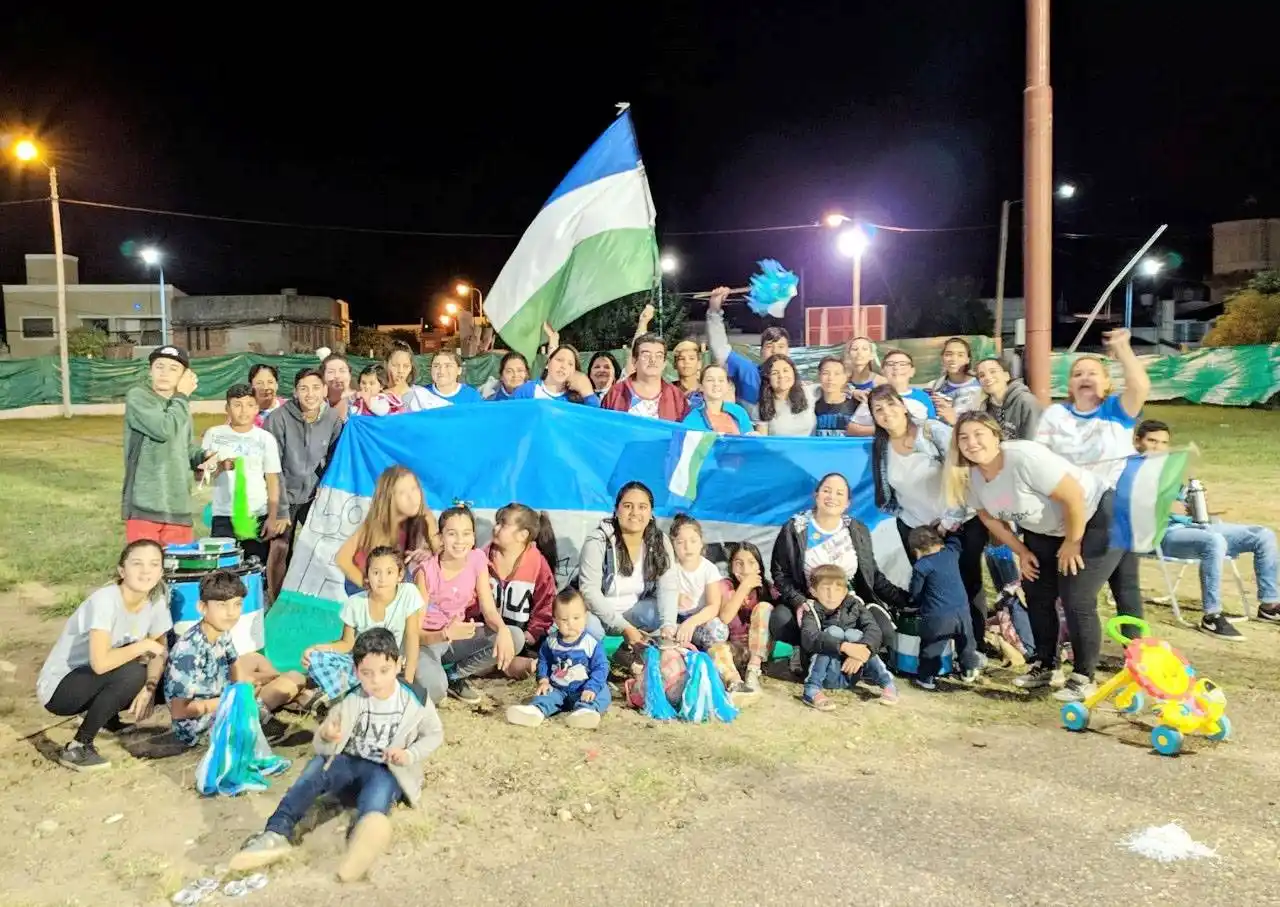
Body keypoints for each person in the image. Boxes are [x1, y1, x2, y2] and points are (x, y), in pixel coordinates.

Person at [228, 628, 444, 882]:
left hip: (387, 769)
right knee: (316, 769)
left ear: (398, 665)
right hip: (350, 762)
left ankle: (360, 849)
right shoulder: (352, 698)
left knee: (377, 799)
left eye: (384, 671)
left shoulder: (416, 699)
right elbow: (324, 742)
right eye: (367, 673)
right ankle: (276, 833)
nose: (376, 680)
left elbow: (434, 734)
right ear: (356, 672)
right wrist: (327, 736)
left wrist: (409, 754)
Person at [946, 412, 1119, 702]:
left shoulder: (1024, 458)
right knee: (1036, 589)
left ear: (996, 436)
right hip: (1044, 529)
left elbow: (1073, 496)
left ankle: (1083, 677)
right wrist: (1022, 552)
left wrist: (1073, 542)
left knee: (1076, 596)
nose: (971, 443)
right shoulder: (973, 476)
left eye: (978, 434)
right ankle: (1047, 665)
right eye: (963, 438)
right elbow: (989, 518)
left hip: (1094, 516)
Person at [867, 385, 988, 645]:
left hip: (960, 524)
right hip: (917, 529)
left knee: (966, 583)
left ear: (903, 405)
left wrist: (948, 521)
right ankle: (941, 646)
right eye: (878, 409)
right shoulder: (881, 446)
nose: (886, 412)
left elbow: (962, 472)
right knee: (932, 587)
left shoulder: (932, 431)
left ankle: (974, 644)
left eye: (891, 404)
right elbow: (886, 492)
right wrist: (907, 521)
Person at [37, 540, 171, 771]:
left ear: (161, 572)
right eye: (137, 563)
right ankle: (78, 746)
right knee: (134, 673)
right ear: (122, 571)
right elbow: (100, 664)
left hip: (98, 678)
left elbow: (160, 652)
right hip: (61, 689)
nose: (146, 571)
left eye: (153, 564)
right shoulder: (105, 601)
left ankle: (108, 717)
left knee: (163, 678)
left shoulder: (156, 599)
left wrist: (149, 689)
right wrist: (143, 645)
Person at [1135, 420, 1279, 634]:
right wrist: (1161, 507)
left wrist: (1201, 506)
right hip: (1161, 535)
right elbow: (1126, 508)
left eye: (1164, 443)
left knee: (1263, 535)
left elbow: (1184, 503)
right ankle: (1212, 616)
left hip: (1195, 528)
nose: (1158, 447)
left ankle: (1270, 605)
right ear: (1137, 442)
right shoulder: (1128, 471)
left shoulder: (1167, 470)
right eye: (1152, 441)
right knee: (1214, 541)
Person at [770, 473, 909, 660]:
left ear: (847, 503)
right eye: (827, 491)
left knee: (884, 631)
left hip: (849, 603)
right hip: (809, 601)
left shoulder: (857, 529)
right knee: (781, 620)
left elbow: (872, 575)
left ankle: (851, 657)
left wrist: (905, 600)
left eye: (839, 493)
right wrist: (798, 601)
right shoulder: (795, 528)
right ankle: (804, 651)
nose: (832, 497)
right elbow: (780, 574)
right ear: (816, 495)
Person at [165, 570, 306, 746]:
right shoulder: (188, 652)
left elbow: (237, 670)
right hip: (202, 726)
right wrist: (235, 697)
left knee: (256, 660)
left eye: (237, 604)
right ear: (202, 607)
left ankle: (285, 695)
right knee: (293, 679)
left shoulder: (219, 632)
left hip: (219, 691)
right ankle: (277, 704)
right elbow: (179, 711)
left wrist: (249, 683)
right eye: (222, 605)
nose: (231, 613)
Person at [415, 506, 520, 704]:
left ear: (473, 537)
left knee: (514, 636)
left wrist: (502, 629)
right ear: (440, 538)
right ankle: (421, 674)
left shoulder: (477, 559)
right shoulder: (425, 572)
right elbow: (414, 633)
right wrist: (445, 634)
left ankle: (454, 676)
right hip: (428, 642)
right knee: (435, 692)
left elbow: (488, 610)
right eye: (452, 534)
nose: (460, 540)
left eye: (466, 533)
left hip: (458, 638)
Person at [122, 345, 217, 544]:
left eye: (173, 368)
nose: (164, 373)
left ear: (184, 376)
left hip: (178, 506)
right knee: (145, 562)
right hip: (145, 506)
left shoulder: (180, 406)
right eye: (159, 366)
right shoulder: (138, 396)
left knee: (179, 563)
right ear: (150, 371)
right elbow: (164, 429)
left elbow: (185, 448)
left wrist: (203, 456)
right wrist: (182, 396)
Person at [265, 367, 344, 598]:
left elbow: (335, 457)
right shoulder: (278, 418)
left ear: (325, 390)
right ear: (295, 392)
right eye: (304, 389)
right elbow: (272, 467)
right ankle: (276, 599)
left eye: (316, 388)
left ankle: (318, 597)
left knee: (321, 548)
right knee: (280, 547)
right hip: (284, 495)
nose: (310, 394)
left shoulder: (332, 418)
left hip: (313, 495)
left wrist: (323, 487)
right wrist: (280, 509)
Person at [302, 547, 424, 695]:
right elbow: (347, 644)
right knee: (316, 658)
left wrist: (408, 682)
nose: (382, 579)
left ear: (400, 575)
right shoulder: (355, 603)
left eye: (389, 572)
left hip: (389, 665)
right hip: (360, 664)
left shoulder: (408, 593)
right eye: (376, 572)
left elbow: (412, 637)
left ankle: (345, 691)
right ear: (368, 576)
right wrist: (317, 648)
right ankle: (341, 693)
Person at [578, 482, 679, 644]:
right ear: (616, 510)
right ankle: (608, 651)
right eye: (627, 506)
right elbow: (589, 591)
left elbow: (668, 587)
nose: (635, 512)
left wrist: (668, 626)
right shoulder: (597, 540)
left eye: (642, 507)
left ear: (651, 513)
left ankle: (641, 645)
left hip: (633, 613)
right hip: (599, 615)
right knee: (588, 626)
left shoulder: (660, 541)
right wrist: (624, 627)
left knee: (657, 613)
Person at [200, 383, 285, 564]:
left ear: (256, 408)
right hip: (224, 515)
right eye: (237, 405)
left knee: (254, 566)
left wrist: (272, 517)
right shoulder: (214, 435)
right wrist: (220, 466)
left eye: (249, 405)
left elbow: (272, 480)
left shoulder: (265, 439)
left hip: (256, 515)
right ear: (227, 408)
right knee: (223, 569)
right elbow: (201, 476)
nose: (243, 411)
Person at [505, 589, 611, 729]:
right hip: (558, 689)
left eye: (576, 618)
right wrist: (543, 680)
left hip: (584, 689)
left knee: (603, 691)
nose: (570, 623)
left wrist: (591, 688)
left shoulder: (591, 642)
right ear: (555, 620)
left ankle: (586, 711)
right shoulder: (551, 642)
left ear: (585, 617)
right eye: (564, 620)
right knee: (546, 694)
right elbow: (543, 661)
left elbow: (601, 667)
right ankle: (535, 711)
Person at [798, 564, 898, 710]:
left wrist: (862, 652)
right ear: (814, 591)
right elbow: (809, 637)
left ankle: (887, 684)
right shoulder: (810, 610)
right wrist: (844, 647)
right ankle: (812, 689)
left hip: (852, 672)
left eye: (837, 590)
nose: (832, 595)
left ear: (845, 591)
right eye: (826, 589)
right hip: (826, 673)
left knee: (856, 635)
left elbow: (874, 630)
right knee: (833, 632)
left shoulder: (855, 605)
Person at [483, 503, 559, 677]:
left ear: (523, 535)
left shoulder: (537, 564)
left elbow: (546, 603)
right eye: (497, 522)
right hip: (488, 635)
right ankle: (508, 665)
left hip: (523, 638)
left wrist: (532, 633)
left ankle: (507, 664)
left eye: (503, 524)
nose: (495, 528)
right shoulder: (482, 558)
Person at [336, 466, 438, 593]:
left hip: (394, 573)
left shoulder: (423, 517)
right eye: (402, 493)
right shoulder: (374, 525)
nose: (412, 497)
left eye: (414, 488)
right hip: (364, 578)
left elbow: (439, 552)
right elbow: (342, 558)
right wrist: (367, 585)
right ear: (389, 498)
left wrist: (427, 549)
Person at [670, 514, 742, 689]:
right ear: (672, 544)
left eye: (693, 541)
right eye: (680, 542)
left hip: (699, 620)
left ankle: (732, 679)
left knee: (718, 630)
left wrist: (691, 622)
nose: (687, 547)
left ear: (701, 543)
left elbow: (713, 606)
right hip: (674, 621)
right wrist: (676, 597)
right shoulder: (670, 568)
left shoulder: (708, 569)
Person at [906, 526, 982, 690]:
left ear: (916, 551)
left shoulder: (922, 566)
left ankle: (926, 679)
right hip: (962, 612)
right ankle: (969, 671)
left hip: (938, 615)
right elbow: (955, 541)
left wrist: (914, 601)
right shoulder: (951, 553)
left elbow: (916, 592)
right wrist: (951, 530)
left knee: (932, 648)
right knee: (967, 644)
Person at [705, 285, 790, 418]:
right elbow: (720, 349)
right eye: (769, 346)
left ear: (788, 351)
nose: (775, 351)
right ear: (761, 351)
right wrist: (714, 311)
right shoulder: (747, 371)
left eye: (781, 346)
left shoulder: (795, 381)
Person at [717, 542, 776, 695]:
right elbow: (725, 618)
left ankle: (752, 672)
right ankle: (734, 681)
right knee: (716, 649)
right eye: (739, 563)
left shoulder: (767, 588)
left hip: (759, 652)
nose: (745, 568)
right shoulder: (725, 586)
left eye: (751, 562)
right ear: (731, 566)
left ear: (759, 567)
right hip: (734, 650)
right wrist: (744, 588)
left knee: (764, 607)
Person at [847, 349, 937, 438]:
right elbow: (852, 429)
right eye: (890, 364)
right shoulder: (874, 396)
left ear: (912, 371)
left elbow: (933, 428)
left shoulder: (923, 397)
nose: (896, 368)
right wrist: (885, 429)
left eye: (903, 364)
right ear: (882, 370)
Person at [601, 333, 690, 421]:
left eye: (659, 356)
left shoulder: (676, 397)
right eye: (646, 355)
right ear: (634, 361)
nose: (653, 360)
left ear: (664, 363)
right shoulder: (616, 393)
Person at [974, 356, 1042, 440]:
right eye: (982, 375)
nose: (987, 378)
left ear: (1006, 376)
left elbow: (1034, 440)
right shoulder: (984, 407)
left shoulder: (1026, 402)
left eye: (993, 371)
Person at [509, 344, 601, 405]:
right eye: (559, 360)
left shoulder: (578, 400)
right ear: (548, 363)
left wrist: (587, 393)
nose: (563, 366)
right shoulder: (527, 390)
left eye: (570, 364)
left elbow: (594, 420)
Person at [682, 364, 753, 434]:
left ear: (727, 385)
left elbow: (749, 437)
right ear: (701, 386)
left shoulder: (738, 412)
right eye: (710, 380)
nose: (716, 384)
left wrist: (753, 435)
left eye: (721, 380)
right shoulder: (692, 417)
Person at [757, 354, 816, 436]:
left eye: (785, 370)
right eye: (774, 373)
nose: (781, 376)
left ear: (794, 373)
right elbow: (762, 440)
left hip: (809, 444)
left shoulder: (809, 392)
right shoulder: (762, 405)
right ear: (767, 379)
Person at [928, 337, 983, 424]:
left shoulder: (979, 388)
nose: (953, 359)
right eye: (948, 354)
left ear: (968, 360)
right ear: (942, 358)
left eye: (960, 355)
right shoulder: (934, 385)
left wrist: (950, 411)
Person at [413, 350, 483, 410]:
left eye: (448, 366)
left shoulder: (471, 396)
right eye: (436, 366)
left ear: (459, 370)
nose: (441, 370)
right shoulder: (421, 394)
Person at [813, 357, 858, 437]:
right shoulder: (811, 404)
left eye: (837, 374)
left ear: (845, 378)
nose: (830, 378)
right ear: (819, 376)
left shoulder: (856, 405)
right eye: (825, 373)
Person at [841, 336, 885, 406]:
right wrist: (853, 392)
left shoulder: (881, 382)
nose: (859, 352)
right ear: (848, 355)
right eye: (855, 349)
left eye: (864, 349)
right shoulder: (841, 382)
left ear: (872, 355)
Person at [248, 363, 286, 427]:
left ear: (276, 385)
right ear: (251, 386)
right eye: (259, 383)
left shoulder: (289, 407)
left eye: (270, 382)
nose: (265, 387)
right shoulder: (245, 414)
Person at [321, 353, 354, 422]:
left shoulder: (362, 402)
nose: (337, 376)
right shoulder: (316, 404)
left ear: (350, 375)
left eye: (342, 371)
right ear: (323, 377)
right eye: (331, 372)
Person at [671, 338, 704, 407]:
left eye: (691, 358)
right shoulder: (668, 390)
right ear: (675, 364)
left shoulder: (707, 390)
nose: (686, 362)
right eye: (681, 358)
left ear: (699, 364)